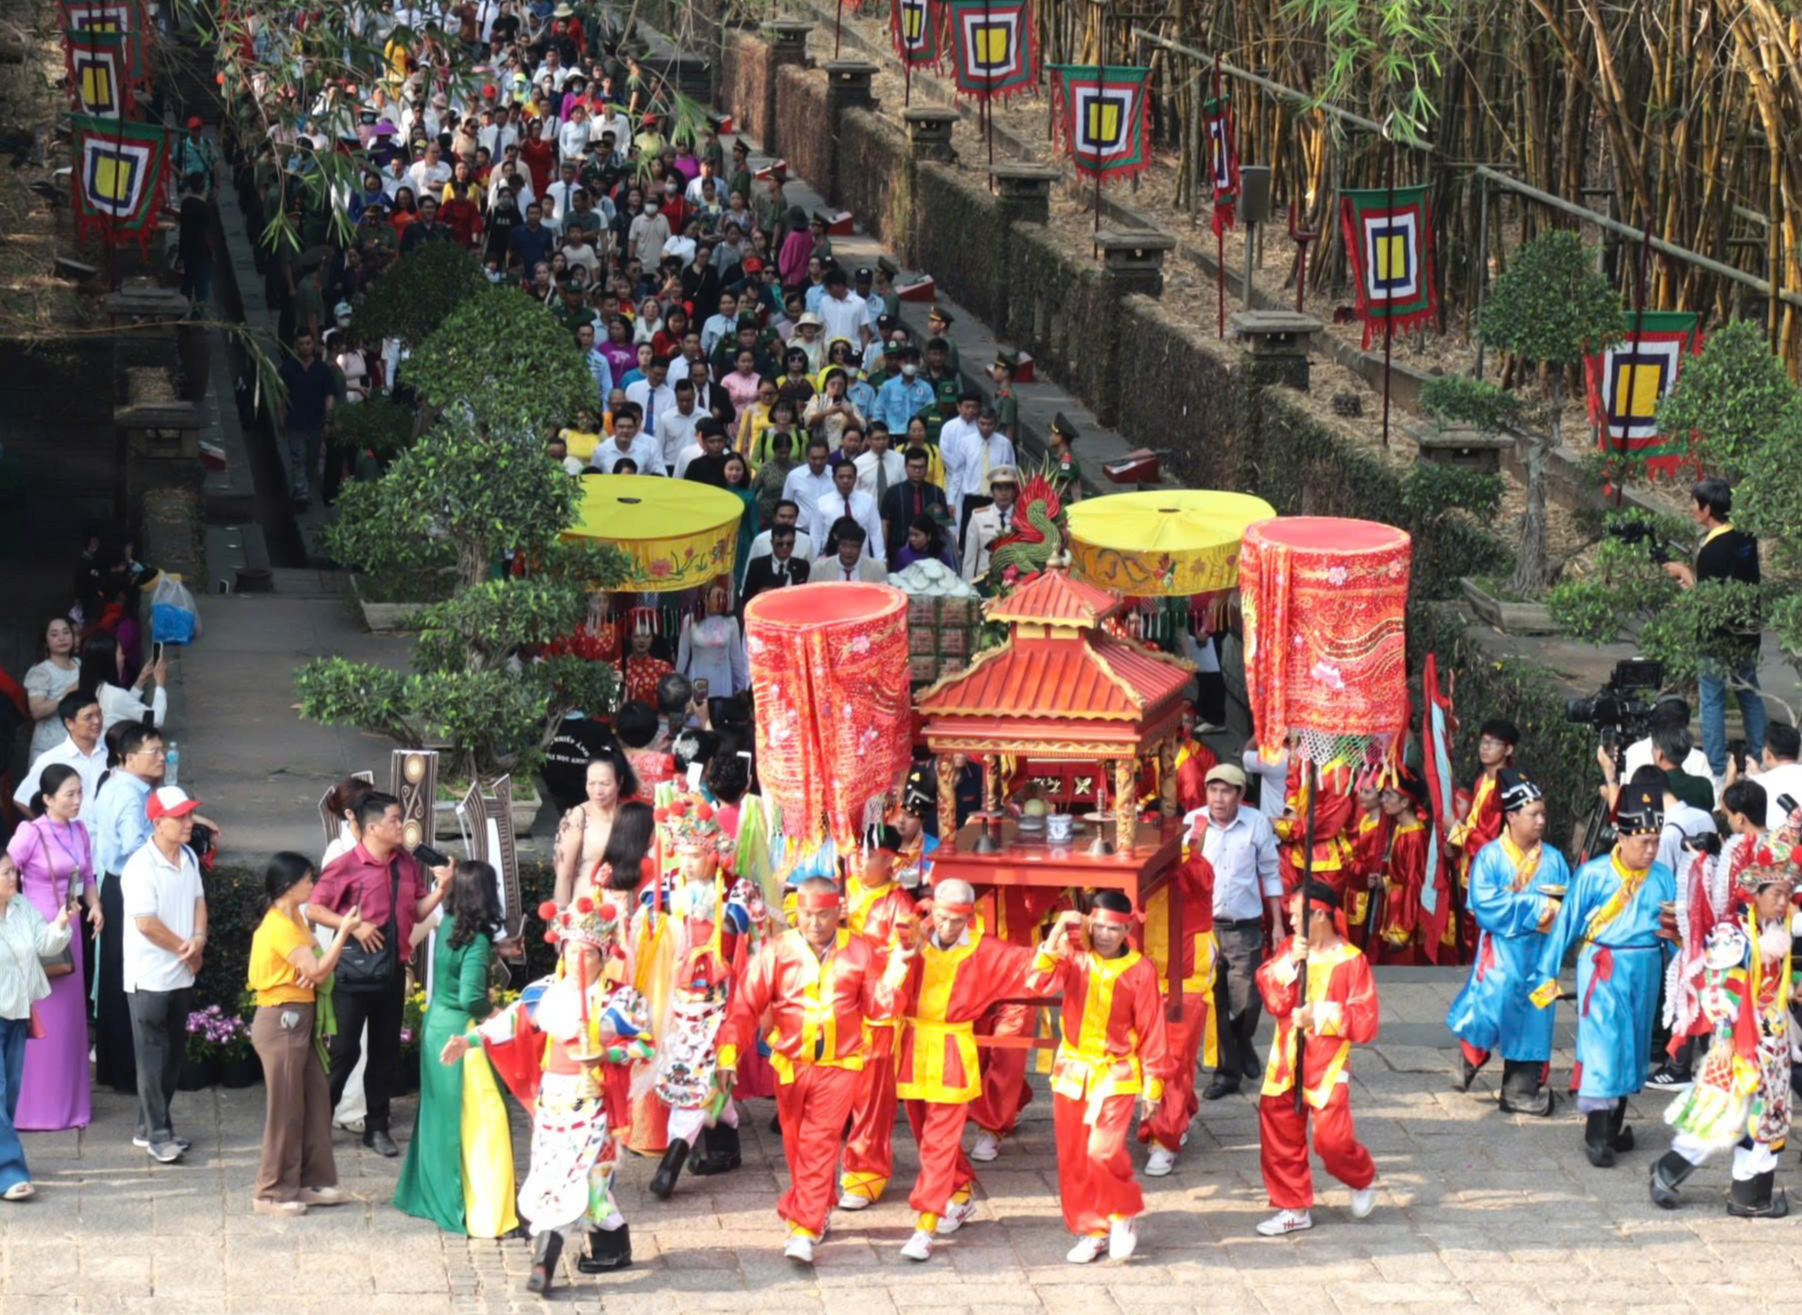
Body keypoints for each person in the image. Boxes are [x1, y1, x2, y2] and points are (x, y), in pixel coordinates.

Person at [444, 897, 653, 1291]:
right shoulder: (545, 993)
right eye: (571, 950)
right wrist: (469, 1040)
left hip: (596, 1102)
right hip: (553, 1099)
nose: (578, 960)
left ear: (603, 957)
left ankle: (544, 1262)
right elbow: (511, 1023)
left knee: (579, 1178)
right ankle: (612, 1247)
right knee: (562, 1178)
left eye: (588, 953)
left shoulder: (622, 1000)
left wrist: (607, 1053)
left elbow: (645, 1045)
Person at [716, 875, 911, 1263]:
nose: (815, 923)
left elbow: (879, 1007)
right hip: (791, 1065)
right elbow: (745, 1006)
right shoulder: (777, 951)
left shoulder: (860, 951)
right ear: (796, 913)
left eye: (823, 915)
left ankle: (803, 1228)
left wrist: (899, 967)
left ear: (838, 912)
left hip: (840, 1066)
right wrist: (727, 1053)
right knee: (795, 1147)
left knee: (818, 1143)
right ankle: (817, 1206)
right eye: (807, 914)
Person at [1529, 781, 1677, 1167]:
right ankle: (1596, 1135)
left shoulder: (1663, 877)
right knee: (1604, 1047)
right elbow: (1565, 927)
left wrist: (1688, 975)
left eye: (1656, 842)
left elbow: (1674, 932)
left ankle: (1613, 1128)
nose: (1651, 850)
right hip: (1603, 967)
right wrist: (1545, 974)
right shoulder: (1593, 875)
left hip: (1645, 970)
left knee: (1632, 1046)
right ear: (1622, 837)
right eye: (1643, 842)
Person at [892, 877, 1034, 1262]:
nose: (949, 926)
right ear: (932, 908)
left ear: (970, 916)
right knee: (925, 1134)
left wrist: (1060, 942)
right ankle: (960, 1193)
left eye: (958, 920)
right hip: (912, 1047)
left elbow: (1034, 964)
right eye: (942, 917)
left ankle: (925, 1225)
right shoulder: (912, 938)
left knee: (938, 1141)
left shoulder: (985, 949)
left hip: (953, 1050)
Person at [308, 791, 454, 1159]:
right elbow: (314, 909)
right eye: (394, 820)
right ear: (372, 827)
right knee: (343, 1053)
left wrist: (441, 890)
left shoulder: (405, 863)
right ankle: (316, 1127)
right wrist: (352, 926)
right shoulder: (345, 865)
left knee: (384, 1054)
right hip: (352, 977)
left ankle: (377, 1127)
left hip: (391, 972)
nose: (401, 826)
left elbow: (417, 913)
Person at [1027, 894, 1171, 1263]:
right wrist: (1057, 930)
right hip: (1073, 1068)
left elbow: (1153, 1028)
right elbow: (1037, 982)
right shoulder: (1074, 956)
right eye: (1100, 927)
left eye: (1114, 928)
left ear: (1128, 929)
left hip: (1116, 1070)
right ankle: (1092, 1230)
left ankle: (1122, 1213)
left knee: (1103, 1150)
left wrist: (1153, 1085)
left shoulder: (1141, 970)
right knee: (1074, 1156)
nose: (1105, 935)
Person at [1650, 855, 1795, 1218]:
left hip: (1772, 1038)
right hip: (1742, 1040)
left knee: (1760, 1113)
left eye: (1787, 894)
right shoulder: (1732, 934)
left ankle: (1746, 1192)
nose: (1783, 902)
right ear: (1754, 894)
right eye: (1776, 894)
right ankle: (1685, 1176)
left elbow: (1779, 977)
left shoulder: (1773, 927)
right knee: (1724, 1111)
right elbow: (1717, 987)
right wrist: (1726, 1035)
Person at [638, 796, 761, 1196]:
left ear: (714, 854)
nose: (688, 863)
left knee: (698, 1072)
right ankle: (725, 1145)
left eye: (696, 855)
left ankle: (672, 1162)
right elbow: (646, 922)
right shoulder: (668, 884)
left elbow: (748, 932)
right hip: (675, 997)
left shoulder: (738, 889)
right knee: (692, 1070)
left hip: (721, 1000)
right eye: (684, 854)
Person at [393, 861, 520, 1237]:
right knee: (484, 1119)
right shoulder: (476, 942)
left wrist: (496, 950)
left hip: (438, 1025)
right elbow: (472, 999)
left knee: (440, 1116)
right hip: (463, 1037)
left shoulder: (449, 924)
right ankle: (486, 1211)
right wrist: (501, 1016)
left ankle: (436, 1194)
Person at [1253, 881, 1381, 1236]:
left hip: (1328, 1064)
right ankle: (1292, 1206)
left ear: (1321, 915)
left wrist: (1319, 1015)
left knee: (1332, 1141)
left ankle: (1361, 1177)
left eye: (1297, 916)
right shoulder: (1291, 949)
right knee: (1279, 1135)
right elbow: (1271, 994)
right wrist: (1289, 965)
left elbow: (1366, 1021)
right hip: (1285, 1059)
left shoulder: (1352, 961)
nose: (1291, 922)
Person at [1443, 769, 1570, 1114]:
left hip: (1542, 954)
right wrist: (1538, 906)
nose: (1541, 821)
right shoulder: (1490, 856)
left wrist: (1560, 912)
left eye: (1543, 814)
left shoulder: (1554, 859)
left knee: (1536, 1016)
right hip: (1501, 951)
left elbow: (1567, 903)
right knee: (1490, 1004)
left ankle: (1519, 1091)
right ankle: (1471, 1055)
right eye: (1533, 814)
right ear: (1511, 817)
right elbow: (1486, 905)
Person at [246, 853, 363, 1217]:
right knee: (285, 1110)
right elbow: (317, 970)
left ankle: (311, 1182)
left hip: (298, 1021)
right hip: (281, 1022)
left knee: (315, 1099)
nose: (313, 885)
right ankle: (270, 1193)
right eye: (308, 880)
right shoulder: (279, 925)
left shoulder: (293, 916)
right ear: (288, 886)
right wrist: (343, 932)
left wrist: (312, 966)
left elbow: (312, 960)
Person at [7, 765, 101, 1131]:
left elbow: (88, 875)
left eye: (80, 793)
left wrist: (95, 906)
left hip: (70, 929)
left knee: (69, 1021)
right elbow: (6, 871)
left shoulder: (80, 830)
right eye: (69, 794)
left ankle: (69, 1105)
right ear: (47, 799)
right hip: (38, 930)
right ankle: (31, 1108)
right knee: (40, 1017)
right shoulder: (30, 833)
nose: (77, 801)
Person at [119, 786, 209, 1164]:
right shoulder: (140, 866)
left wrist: (199, 939)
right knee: (153, 1058)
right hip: (150, 976)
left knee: (171, 1055)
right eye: (180, 817)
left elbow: (198, 901)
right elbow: (146, 923)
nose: (189, 822)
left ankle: (149, 1127)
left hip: (181, 972)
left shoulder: (188, 857)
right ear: (158, 823)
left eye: (189, 814)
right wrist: (185, 949)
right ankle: (158, 1135)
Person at [837, 829, 920, 1210]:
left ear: (889, 861)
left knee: (871, 1096)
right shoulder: (844, 891)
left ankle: (866, 1172)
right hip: (836, 1003)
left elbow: (903, 961)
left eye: (869, 855)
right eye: (856, 853)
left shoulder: (901, 906)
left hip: (875, 1009)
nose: (858, 862)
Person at [1663, 477, 1765, 784]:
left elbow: (1708, 599)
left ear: (1707, 509)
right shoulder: (1746, 539)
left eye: (1694, 504)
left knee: (1712, 700)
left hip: (1715, 637)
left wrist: (1685, 573)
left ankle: (1717, 769)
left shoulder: (1712, 550)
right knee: (1750, 693)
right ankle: (1760, 759)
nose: (1691, 508)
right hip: (1746, 631)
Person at [1189, 764, 1281, 1100]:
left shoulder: (1256, 823)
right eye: (1212, 790)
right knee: (1215, 1001)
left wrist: (1278, 924)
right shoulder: (1194, 823)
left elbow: (1270, 873)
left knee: (1249, 1000)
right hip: (1205, 927)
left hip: (1244, 927)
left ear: (1240, 795)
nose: (1218, 798)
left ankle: (1242, 1042)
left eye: (1226, 791)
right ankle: (1227, 1073)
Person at [88, 722, 167, 1091]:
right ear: (129, 757)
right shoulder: (129, 795)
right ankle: (125, 1071)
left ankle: (114, 1067)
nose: (162, 758)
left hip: (114, 884)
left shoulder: (119, 784)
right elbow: (134, 846)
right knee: (128, 978)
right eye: (154, 752)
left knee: (116, 976)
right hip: (127, 885)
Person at [1137, 832, 1217, 1177]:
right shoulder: (1135, 867)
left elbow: (1202, 877)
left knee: (1172, 1059)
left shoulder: (1193, 865)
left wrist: (1178, 854)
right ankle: (1179, 1112)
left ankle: (1164, 1137)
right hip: (1142, 978)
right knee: (1160, 1060)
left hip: (1186, 979)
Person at [0, 852, 73, 1202]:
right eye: (5, 873)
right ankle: (10, 1171)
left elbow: (44, 945)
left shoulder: (21, 907)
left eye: (13, 871)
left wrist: (60, 922)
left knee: (10, 1094)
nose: (13, 877)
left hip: (16, 1014)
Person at [1373, 769, 1453, 965]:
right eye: (1383, 795)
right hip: (1394, 908)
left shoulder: (1415, 837)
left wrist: (1404, 928)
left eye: (1389, 795)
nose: (1383, 800)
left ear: (1404, 802)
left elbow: (1414, 884)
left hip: (1404, 914)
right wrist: (1384, 882)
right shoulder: (1400, 829)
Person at [553, 750, 638, 908]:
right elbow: (564, 875)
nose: (597, 791)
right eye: (591, 783)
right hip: (586, 907)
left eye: (605, 784)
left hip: (622, 907)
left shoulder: (630, 816)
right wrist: (561, 914)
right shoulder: (578, 816)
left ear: (619, 782)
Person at [279, 330, 338, 508]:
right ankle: (301, 492)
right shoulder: (288, 368)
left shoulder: (323, 370)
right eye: (301, 344)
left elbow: (329, 396)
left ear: (313, 345)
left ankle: (306, 489)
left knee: (311, 459)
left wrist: (328, 420)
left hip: (315, 422)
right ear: (296, 346)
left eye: (308, 343)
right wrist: (280, 416)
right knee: (297, 457)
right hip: (295, 421)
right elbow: (280, 395)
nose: (305, 347)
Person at [77, 632, 166, 735]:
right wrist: (160, 684)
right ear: (109, 659)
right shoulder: (114, 695)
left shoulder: (95, 688)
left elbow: (123, 706)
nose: (123, 657)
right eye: (120, 653)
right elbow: (156, 719)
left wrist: (141, 680)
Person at [22, 616, 80, 763]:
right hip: (49, 747)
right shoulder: (41, 671)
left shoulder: (79, 664)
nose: (62, 638)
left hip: (78, 745)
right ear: (45, 642)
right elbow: (36, 711)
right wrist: (67, 694)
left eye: (66, 632)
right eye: (54, 634)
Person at [677, 584, 748, 696]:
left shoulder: (731, 622)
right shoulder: (690, 621)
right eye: (716, 597)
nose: (720, 600)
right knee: (700, 705)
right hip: (699, 678)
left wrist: (741, 685)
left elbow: (736, 656)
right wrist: (677, 682)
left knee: (721, 706)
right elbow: (683, 654)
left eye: (723, 597)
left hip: (722, 679)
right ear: (706, 599)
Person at [880, 447, 950, 558]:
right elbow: (885, 524)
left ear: (927, 468)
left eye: (921, 467)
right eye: (913, 467)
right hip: (898, 551)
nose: (917, 471)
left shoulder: (936, 493)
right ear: (905, 467)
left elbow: (942, 526)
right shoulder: (893, 493)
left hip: (931, 553)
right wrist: (883, 554)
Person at [958, 465, 1021, 584]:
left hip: (1014, 581)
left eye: (1007, 489)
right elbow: (970, 559)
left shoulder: (1022, 516)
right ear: (992, 492)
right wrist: (967, 587)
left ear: (1013, 492)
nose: (1003, 493)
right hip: (985, 581)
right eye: (999, 489)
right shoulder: (979, 516)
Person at [814, 519, 886, 583]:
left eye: (854, 546)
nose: (848, 551)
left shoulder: (877, 570)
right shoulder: (820, 569)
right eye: (844, 545)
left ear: (861, 547)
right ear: (838, 545)